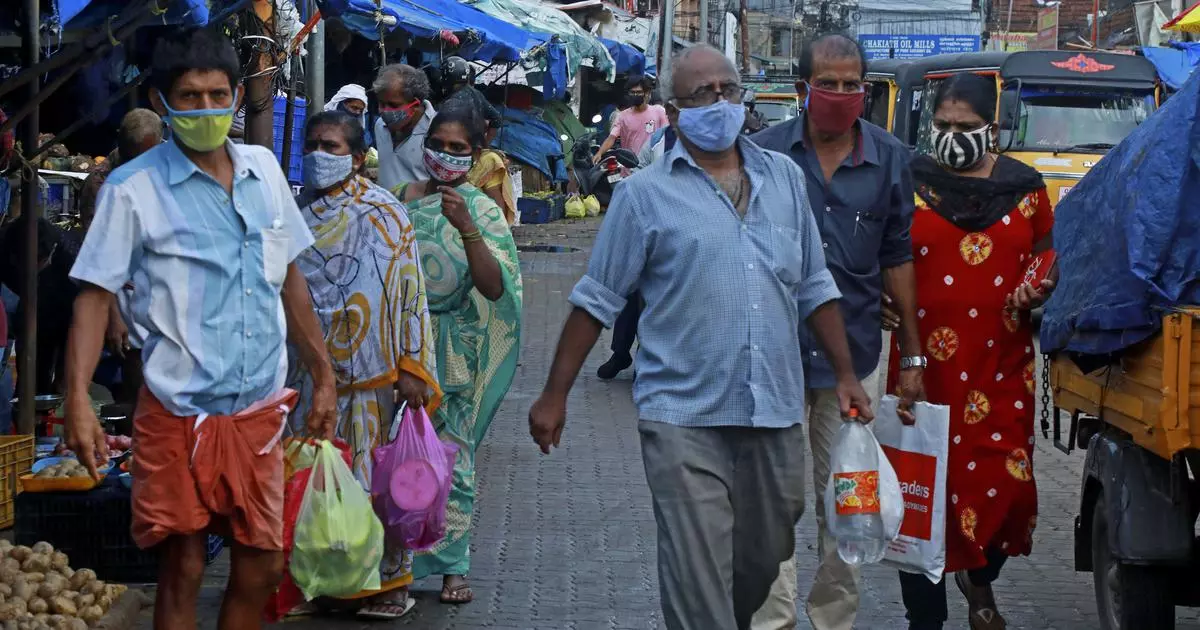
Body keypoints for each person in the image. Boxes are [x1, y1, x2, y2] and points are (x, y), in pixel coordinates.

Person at [528, 44, 873, 630]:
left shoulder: (785, 178)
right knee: (697, 569)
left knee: (766, 553)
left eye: (728, 90)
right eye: (702, 94)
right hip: (682, 415)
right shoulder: (643, 195)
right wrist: (554, 395)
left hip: (773, 409)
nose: (719, 102)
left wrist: (845, 375)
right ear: (674, 111)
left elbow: (815, 285)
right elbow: (597, 300)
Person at [62, 28, 337, 630]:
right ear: (161, 101)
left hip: (259, 410)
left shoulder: (264, 170)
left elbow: (289, 278)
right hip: (176, 411)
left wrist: (323, 374)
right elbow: (94, 298)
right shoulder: (132, 190)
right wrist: (77, 398)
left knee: (262, 566)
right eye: (189, 97)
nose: (206, 109)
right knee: (182, 567)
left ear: (237, 95)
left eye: (217, 94)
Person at [749, 33, 923, 630]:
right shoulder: (763, 154)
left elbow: (898, 254)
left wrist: (913, 357)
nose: (842, 94)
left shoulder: (890, 157)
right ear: (803, 88)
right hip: (771, 355)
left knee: (850, 501)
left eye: (853, 85)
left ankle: (833, 620)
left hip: (856, 357)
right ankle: (772, 621)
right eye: (830, 84)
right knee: (772, 499)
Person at [880, 72, 1053, 630]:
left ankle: (980, 576)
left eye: (966, 126)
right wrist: (874, 294)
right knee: (919, 490)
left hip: (1000, 367)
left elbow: (1046, 253)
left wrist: (1037, 285)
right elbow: (874, 252)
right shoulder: (906, 180)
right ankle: (925, 618)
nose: (953, 136)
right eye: (943, 125)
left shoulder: (1025, 187)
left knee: (1006, 486)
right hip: (921, 366)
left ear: (992, 127)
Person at [290, 110, 442, 620]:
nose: (319, 155)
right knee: (315, 484)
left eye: (331, 147)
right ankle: (325, 581)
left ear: (357, 158)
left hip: (372, 375)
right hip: (307, 375)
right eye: (313, 145)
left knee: (375, 482)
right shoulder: (293, 214)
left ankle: (388, 585)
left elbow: (409, 291)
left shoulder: (384, 213)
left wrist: (413, 365)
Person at [391, 104, 522, 605]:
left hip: (452, 352)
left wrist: (466, 226)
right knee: (394, 457)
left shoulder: (483, 211)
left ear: (475, 153)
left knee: (452, 461)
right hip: (398, 347)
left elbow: (494, 288)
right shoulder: (400, 199)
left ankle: (452, 566)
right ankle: (396, 565)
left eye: (457, 148)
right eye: (438, 145)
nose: (445, 155)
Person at [79, 108, 164, 404]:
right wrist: (113, 317)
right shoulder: (102, 185)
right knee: (134, 388)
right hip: (124, 297)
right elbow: (98, 259)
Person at [374, 64, 436, 191]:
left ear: (415, 104)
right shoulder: (380, 125)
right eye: (381, 103)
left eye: (393, 105)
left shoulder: (438, 131)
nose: (383, 111)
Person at [593, 75, 669, 161]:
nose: (635, 95)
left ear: (646, 93)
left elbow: (667, 134)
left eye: (639, 92)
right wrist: (599, 153)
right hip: (631, 165)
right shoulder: (622, 116)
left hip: (652, 164)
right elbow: (611, 138)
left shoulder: (659, 112)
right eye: (632, 92)